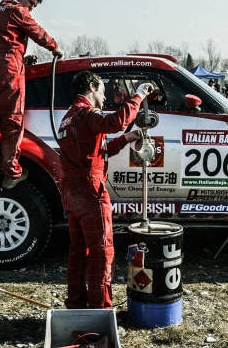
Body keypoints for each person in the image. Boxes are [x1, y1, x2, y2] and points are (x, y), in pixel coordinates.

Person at [58, 70, 153, 309]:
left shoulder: (68, 118)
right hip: (91, 188)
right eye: (102, 90)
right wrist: (139, 95)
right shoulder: (87, 113)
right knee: (101, 251)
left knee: (78, 250)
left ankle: (76, 305)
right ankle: (101, 310)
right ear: (91, 86)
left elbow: (100, 150)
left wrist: (127, 138)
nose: (104, 96)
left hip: (71, 189)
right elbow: (114, 122)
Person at [0, 0, 64, 190]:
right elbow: (35, 31)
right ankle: (11, 171)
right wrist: (55, 47)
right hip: (8, 65)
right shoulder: (17, 10)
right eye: (30, 3)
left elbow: (1, 42)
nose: (30, 8)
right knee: (12, 119)